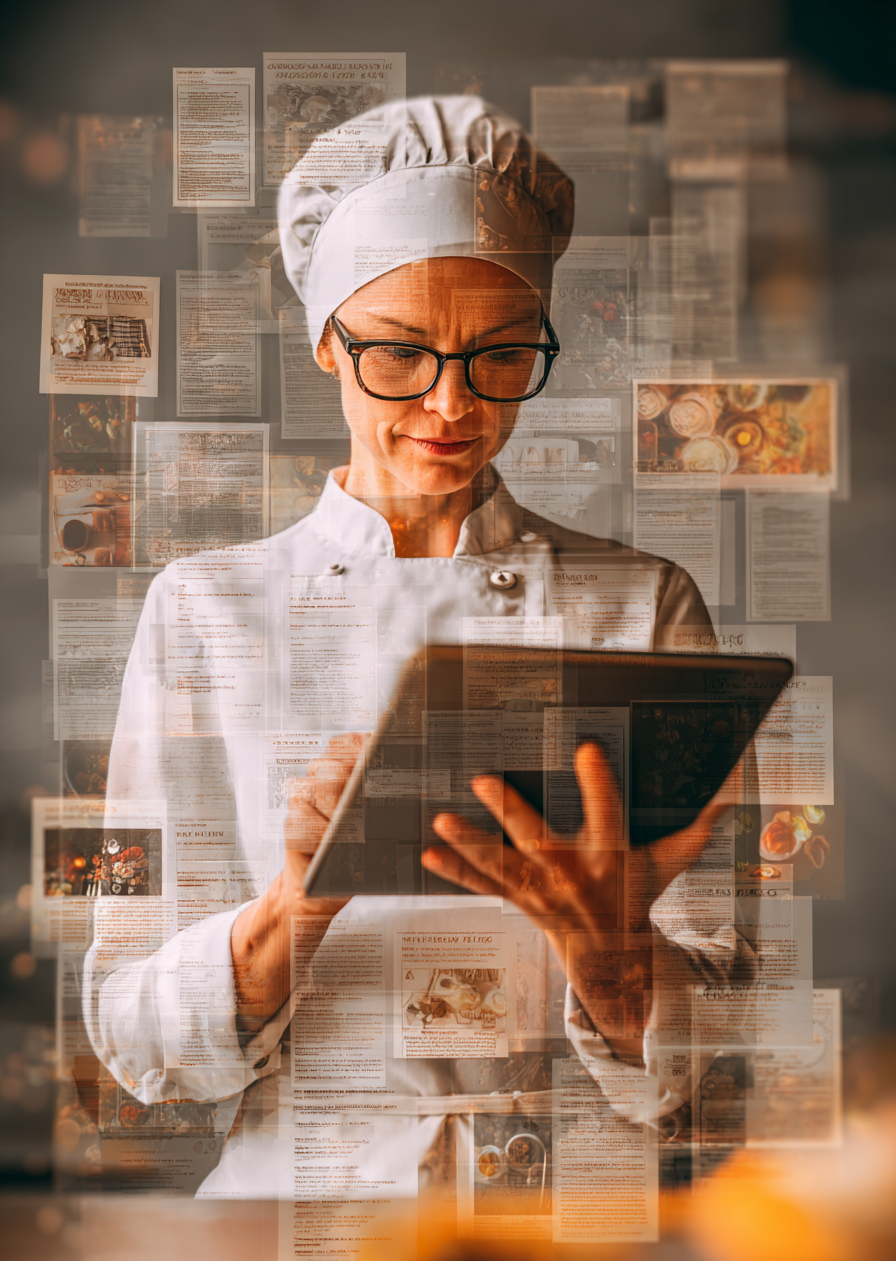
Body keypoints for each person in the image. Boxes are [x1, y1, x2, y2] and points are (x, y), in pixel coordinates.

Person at [84, 97, 749, 1203]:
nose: (450, 403)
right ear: (325, 344)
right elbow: (126, 1022)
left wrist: (613, 955)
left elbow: (721, 1050)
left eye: (499, 356)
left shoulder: (642, 606)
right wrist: (295, 901)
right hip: (295, 1213)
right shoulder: (199, 609)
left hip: (577, 1222)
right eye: (399, 352)